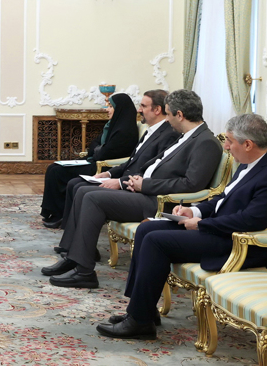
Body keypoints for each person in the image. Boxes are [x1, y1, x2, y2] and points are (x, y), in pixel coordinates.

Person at [96, 114, 267, 340]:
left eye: (230, 141)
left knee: (156, 242)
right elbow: (224, 198)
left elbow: (251, 220)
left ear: (248, 144)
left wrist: (203, 224)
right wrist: (193, 211)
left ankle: (139, 322)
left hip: (243, 244)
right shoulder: (252, 161)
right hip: (222, 230)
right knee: (146, 230)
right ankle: (142, 310)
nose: (226, 146)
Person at [43, 89, 223, 289]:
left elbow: (191, 184)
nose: (168, 119)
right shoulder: (186, 136)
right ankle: (75, 257)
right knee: (85, 191)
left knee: (92, 198)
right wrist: (132, 179)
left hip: (161, 202)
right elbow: (153, 164)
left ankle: (84, 272)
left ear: (179, 115)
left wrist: (144, 184)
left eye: (169, 113)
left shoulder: (206, 142)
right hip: (146, 191)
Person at [54, 89, 179, 258]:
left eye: (143, 106)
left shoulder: (168, 135)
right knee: (77, 184)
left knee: (84, 190)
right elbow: (131, 162)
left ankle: (80, 253)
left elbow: (150, 170)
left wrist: (119, 182)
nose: (139, 109)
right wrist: (108, 174)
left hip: (138, 189)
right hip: (128, 181)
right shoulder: (152, 130)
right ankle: (71, 247)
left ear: (157, 110)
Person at [39, 92, 139, 228]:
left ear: (120, 108)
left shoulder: (125, 131)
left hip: (104, 168)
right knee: (53, 167)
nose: (107, 109)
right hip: (95, 162)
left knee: (58, 172)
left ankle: (61, 214)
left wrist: (97, 150)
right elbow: (94, 145)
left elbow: (103, 153)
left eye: (110, 106)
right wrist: (98, 149)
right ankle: (52, 211)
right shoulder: (111, 126)